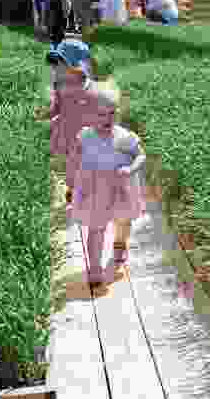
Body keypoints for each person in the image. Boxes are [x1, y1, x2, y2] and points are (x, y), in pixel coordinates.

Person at [66, 87, 147, 289]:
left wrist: (130, 168)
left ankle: (119, 243)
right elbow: (74, 157)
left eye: (111, 113)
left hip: (120, 188)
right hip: (95, 189)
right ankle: (94, 267)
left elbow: (140, 154)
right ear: (90, 115)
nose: (107, 119)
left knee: (123, 221)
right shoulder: (85, 136)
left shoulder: (123, 137)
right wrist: (72, 180)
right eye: (100, 114)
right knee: (96, 228)